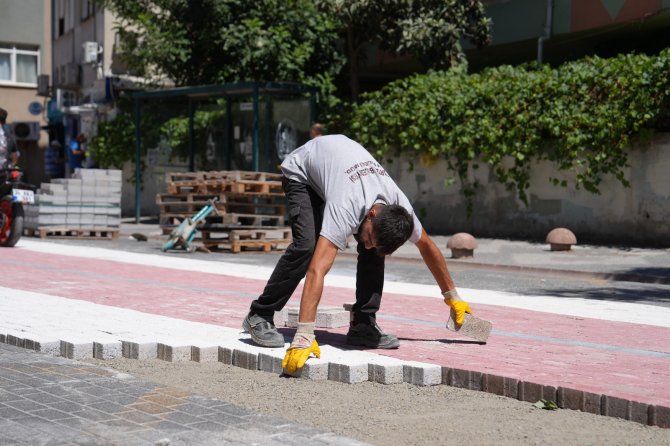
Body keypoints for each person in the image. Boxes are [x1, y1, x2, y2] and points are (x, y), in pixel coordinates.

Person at [241, 134, 473, 374]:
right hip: (304, 174)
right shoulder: (346, 205)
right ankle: (259, 314)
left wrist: (453, 297)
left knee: (375, 252)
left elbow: (428, 247)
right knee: (307, 247)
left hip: (338, 172)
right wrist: (304, 334)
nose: (368, 245)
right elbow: (317, 269)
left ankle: (363, 325)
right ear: (372, 213)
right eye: (371, 238)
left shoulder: (400, 210)